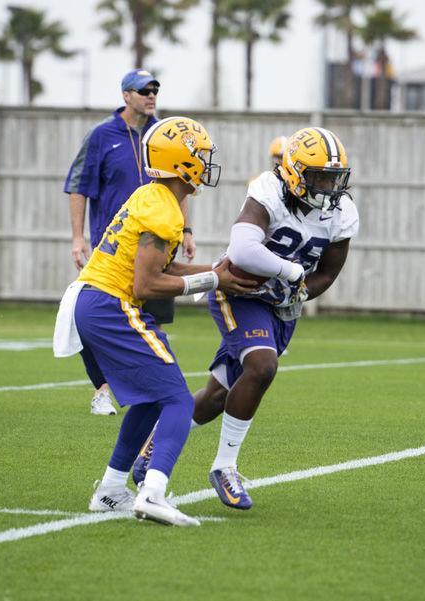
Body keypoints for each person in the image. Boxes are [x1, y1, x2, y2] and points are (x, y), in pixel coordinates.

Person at [132, 126, 360, 511]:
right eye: (319, 176)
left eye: (333, 178)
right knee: (261, 366)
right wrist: (289, 275)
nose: (327, 187)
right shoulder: (267, 190)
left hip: (281, 306)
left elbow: (328, 273)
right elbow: (243, 251)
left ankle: (154, 441)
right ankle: (225, 467)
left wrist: (299, 292)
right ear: (293, 172)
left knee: (219, 394)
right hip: (240, 291)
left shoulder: (342, 213)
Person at [53, 116, 255, 527]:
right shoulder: (164, 209)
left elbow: (163, 265)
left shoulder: (154, 196)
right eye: (199, 155)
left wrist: (216, 270)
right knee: (178, 400)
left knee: (148, 401)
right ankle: (153, 492)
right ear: (181, 162)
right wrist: (214, 279)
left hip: (95, 301)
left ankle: (111, 491)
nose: (205, 161)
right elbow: (146, 284)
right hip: (113, 304)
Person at [64, 68, 196, 416]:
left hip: (158, 238)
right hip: (115, 248)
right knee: (95, 316)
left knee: (155, 313)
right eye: (143, 90)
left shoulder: (162, 133)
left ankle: (152, 385)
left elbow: (181, 182)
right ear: (125, 95)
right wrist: (78, 237)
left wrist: (187, 230)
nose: (151, 95)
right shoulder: (101, 135)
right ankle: (103, 389)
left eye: (155, 89)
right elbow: (79, 185)